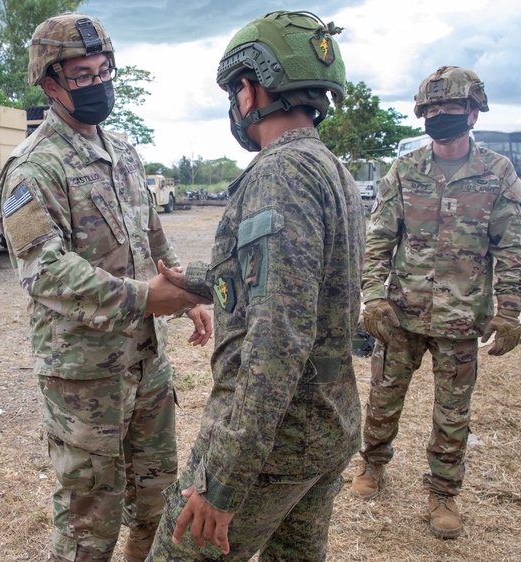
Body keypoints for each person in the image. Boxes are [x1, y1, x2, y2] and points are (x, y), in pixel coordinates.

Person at [145, 11, 365, 560]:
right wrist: (195, 281)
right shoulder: (328, 167)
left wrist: (224, 482)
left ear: (250, 88)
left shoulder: (278, 174)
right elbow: (297, 283)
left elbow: (277, 340)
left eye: (234, 91)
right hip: (325, 427)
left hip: (269, 448)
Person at [0, 13, 212, 562]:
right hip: (83, 376)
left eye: (104, 71)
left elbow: (154, 239)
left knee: (156, 497)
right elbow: (44, 271)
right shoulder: (33, 167)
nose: (99, 84)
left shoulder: (126, 152)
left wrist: (183, 293)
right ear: (50, 85)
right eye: (83, 76)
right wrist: (143, 298)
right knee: (89, 521)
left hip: (145, 363)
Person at [353, 66, 521, 539]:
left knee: (453, 413)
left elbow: (512, 247)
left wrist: (509, 310)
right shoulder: (405, 169)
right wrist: (372, 296)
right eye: (430, 110)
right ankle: (372, 465)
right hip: (402, 315)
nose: (438, 116)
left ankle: (444, 492)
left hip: (461, 319)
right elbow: (378, 240)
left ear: (473, 113)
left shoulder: (496, 173)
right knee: (383, 398)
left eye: (450, 108)